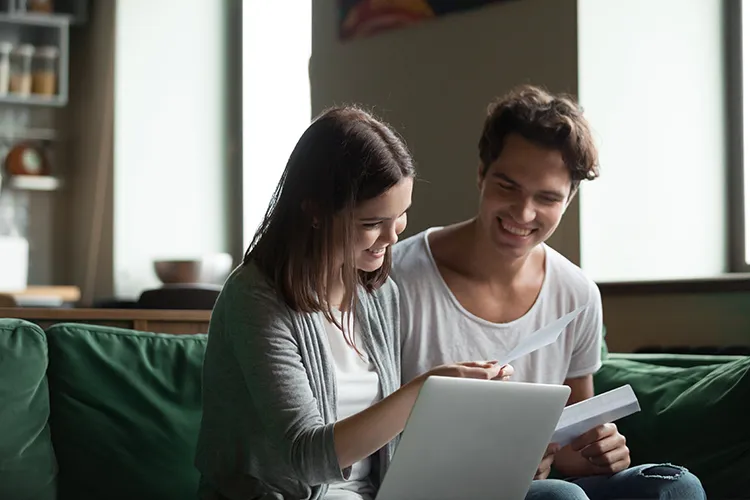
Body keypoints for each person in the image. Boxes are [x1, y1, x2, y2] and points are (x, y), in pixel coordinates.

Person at [194, 106, 533, 500]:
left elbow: (386, 450)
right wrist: (425, 390)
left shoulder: (379, 294)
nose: (392, 237)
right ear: (315, 212)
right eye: (372, 223)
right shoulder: (255, 299)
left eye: (401, 215)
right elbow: (306, 457)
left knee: (558, 495)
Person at [391, 85, 707, 500]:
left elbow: (572, 442)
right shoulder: (397, 276)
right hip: (436, 488)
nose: (523, 214)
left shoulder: (576, 293)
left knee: (675, 487)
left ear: (569, 199)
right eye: (508, 186)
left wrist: (595, 451)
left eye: (547, 198)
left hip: (539, 485)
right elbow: (366, 433)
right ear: (482, 174)